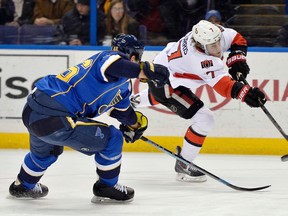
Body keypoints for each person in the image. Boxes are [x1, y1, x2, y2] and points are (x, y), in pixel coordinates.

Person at [8, 34, 169, 202]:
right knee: (112, 139)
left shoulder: (123, 87)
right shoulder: (108, 58)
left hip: (33, 112)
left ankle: (23, 185)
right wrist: (147, 71)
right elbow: (116, 66)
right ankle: (107, 186)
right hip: (56, 116)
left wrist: (135, 126)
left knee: (46, 152)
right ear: (134, 56)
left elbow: (124, 113)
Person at [130, 20, 266, 182]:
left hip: (173, 72)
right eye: (212, 47)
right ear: (201, 46)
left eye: (218, 44)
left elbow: (236, 38)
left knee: (164, 95)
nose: (217, 49)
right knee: (204, 119)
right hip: (163, 80)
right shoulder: (199, 60)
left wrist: (237, 60)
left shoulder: (212, 36)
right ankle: (184, 163)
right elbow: (224, 87)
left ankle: (131, 102)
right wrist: (246, 93)